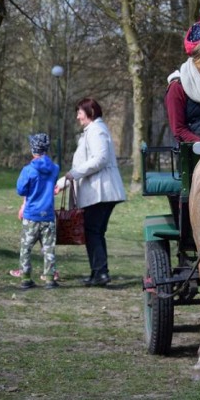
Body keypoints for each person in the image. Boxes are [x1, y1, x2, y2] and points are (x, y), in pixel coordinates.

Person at [55, 98, 126, 287]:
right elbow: (83, 164)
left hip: (101, 191)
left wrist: (72, 175)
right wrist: (64, 181)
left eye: (80, 112)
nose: (77, 116)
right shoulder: (92, 131)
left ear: (90, 112)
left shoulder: (97, 130)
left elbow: (100, 159)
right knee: (95, 232)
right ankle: (98, 273)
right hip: (99, 191)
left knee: (92, 231)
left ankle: (101, 273)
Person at [10, 133, 60, 290]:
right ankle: (50, 279)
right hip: (48, 215)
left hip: (31, 215)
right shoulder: (55, 168)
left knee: (26, 247)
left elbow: (20, 190)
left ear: (33, 150)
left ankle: (25, 278)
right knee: (49, 248)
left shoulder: (28, 170)